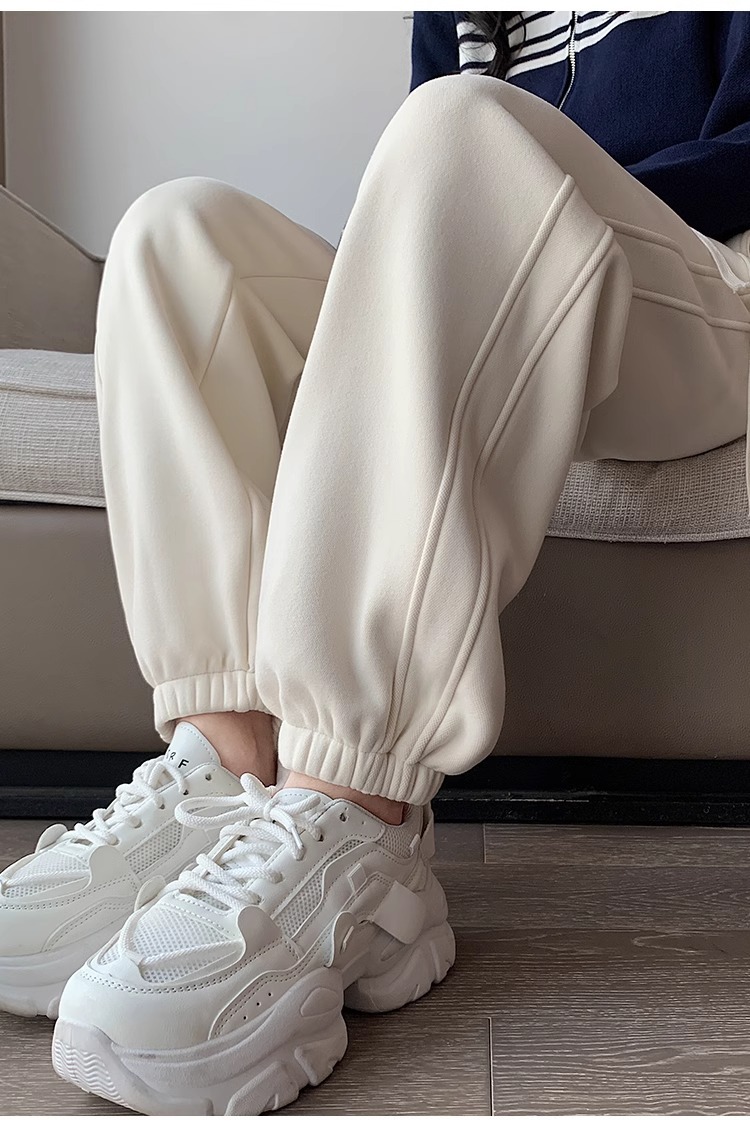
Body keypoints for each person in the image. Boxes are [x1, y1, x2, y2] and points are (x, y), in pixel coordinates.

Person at [2, 10, 750, 1116]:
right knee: (178, 237)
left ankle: (359, 811)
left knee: (467, 131)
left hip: (707, 282)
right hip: (515, 258)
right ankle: (230, 766)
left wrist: (535, 195)